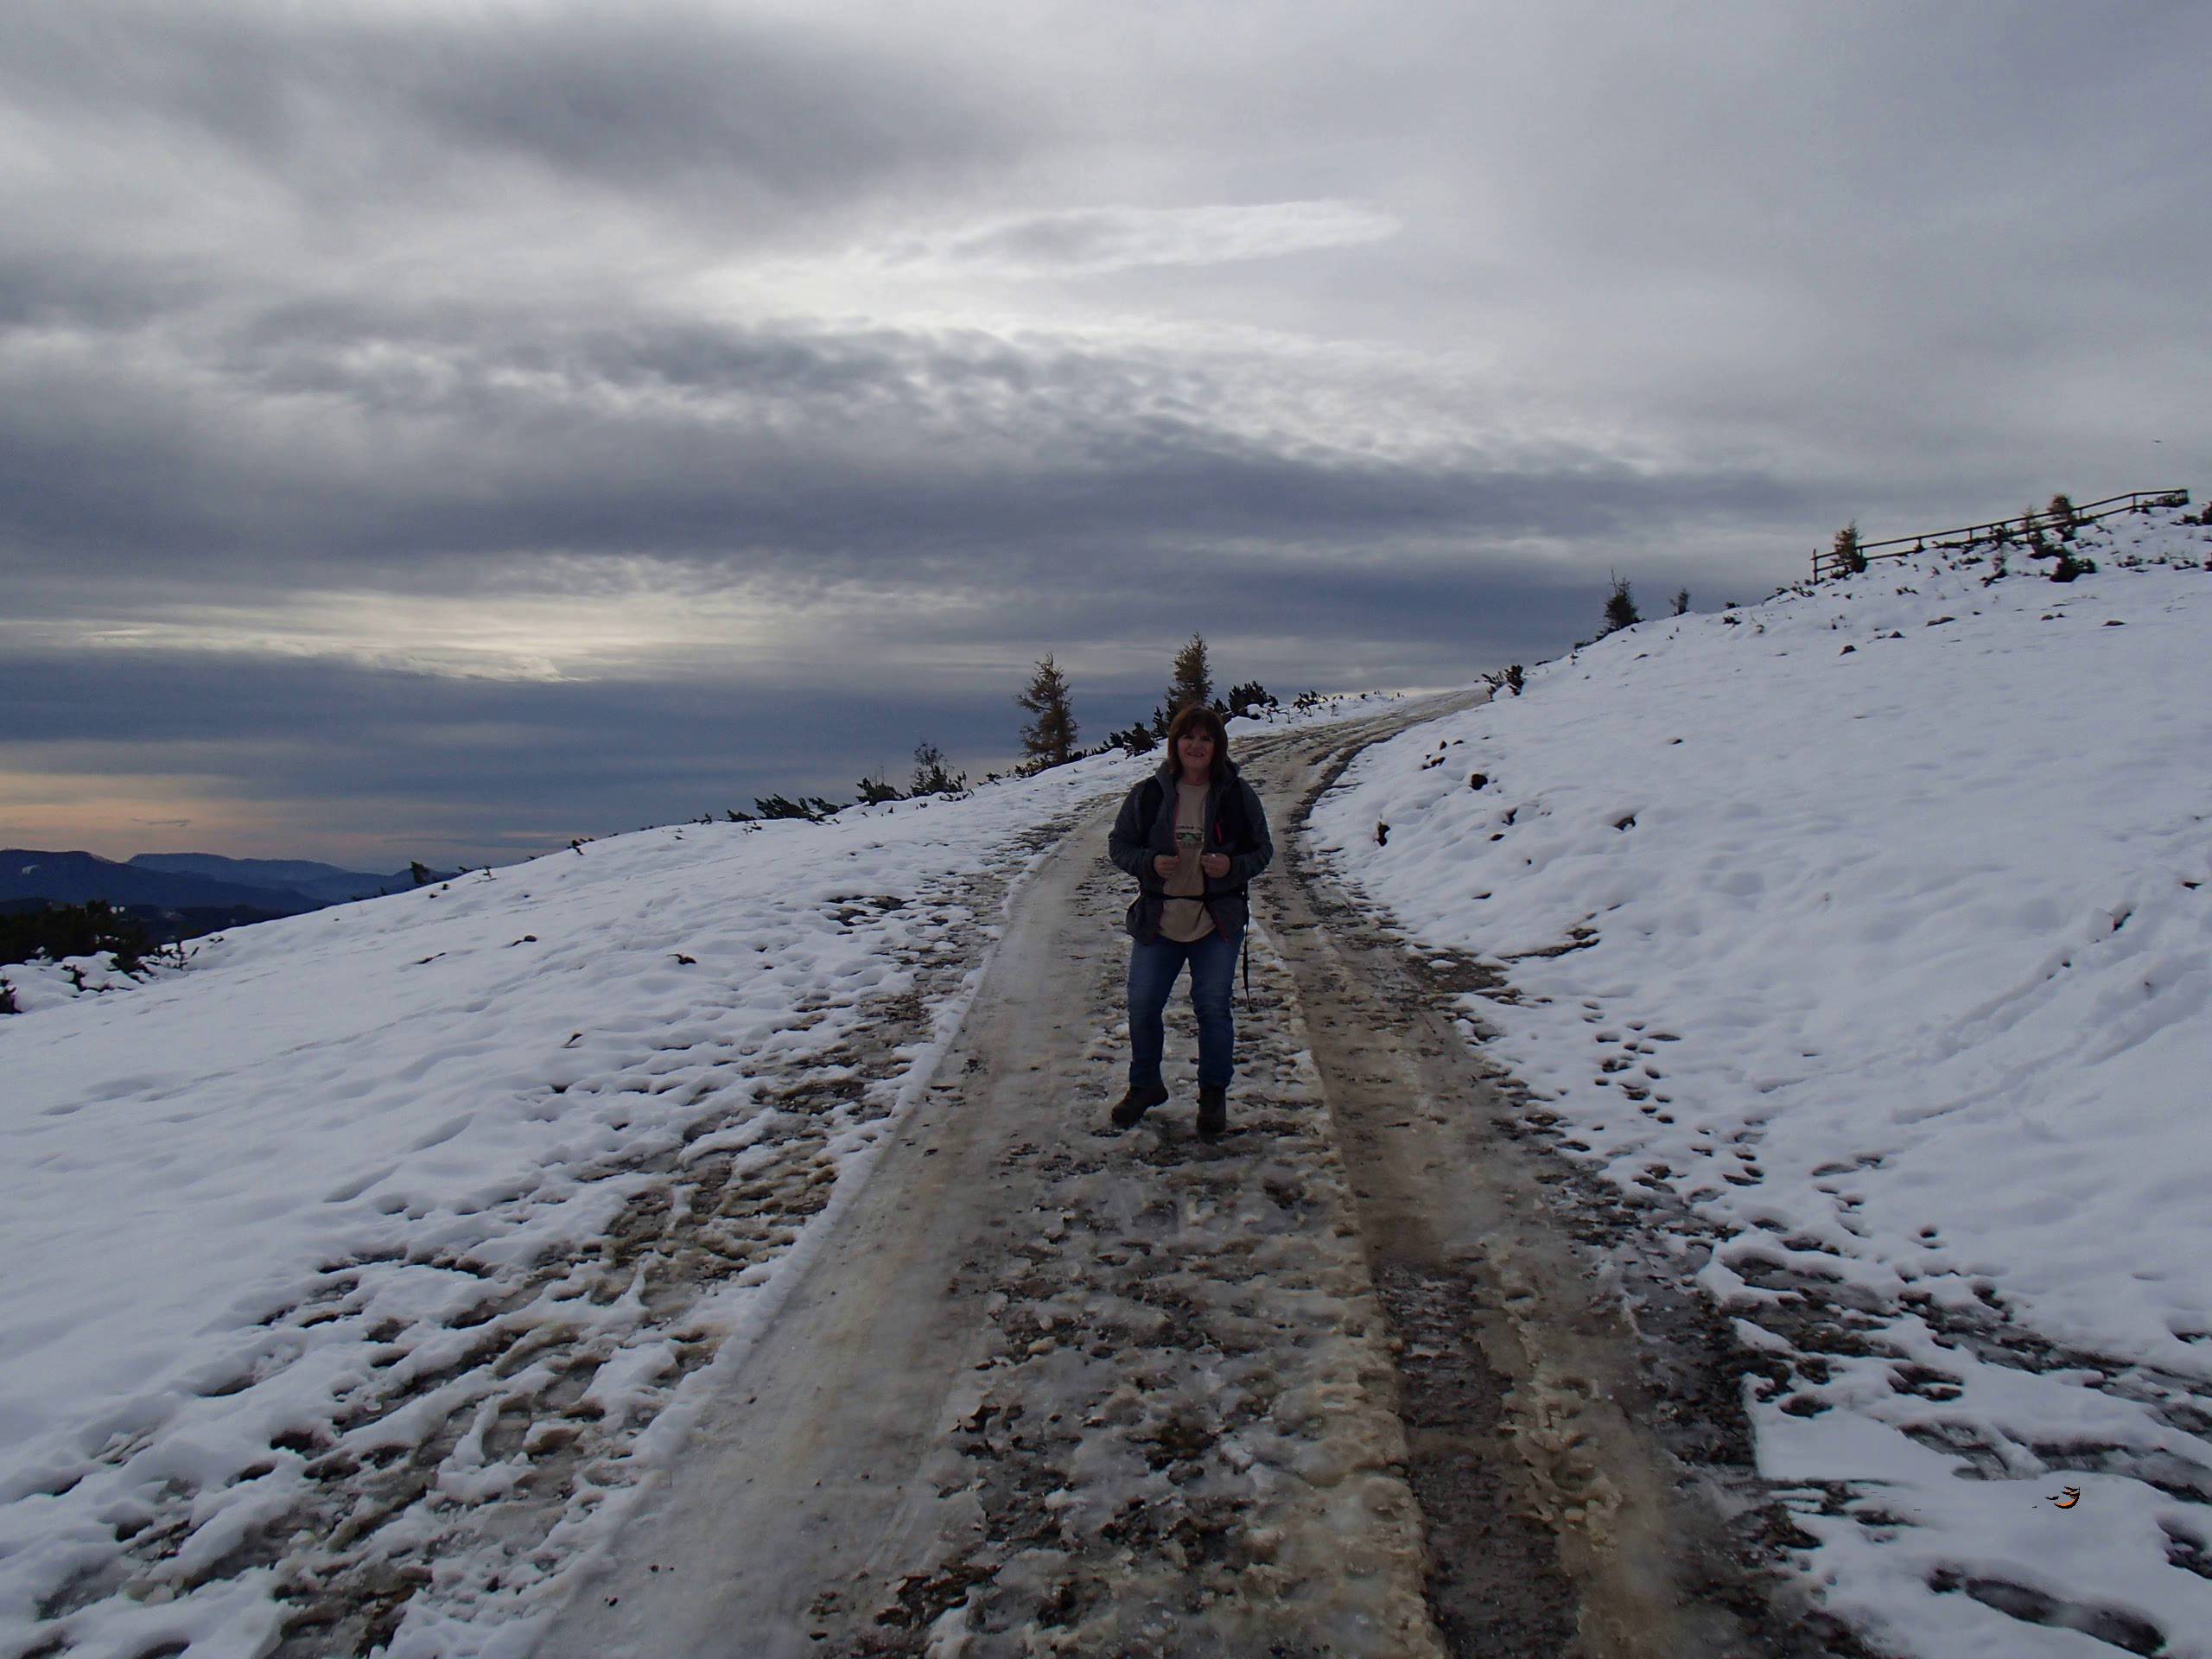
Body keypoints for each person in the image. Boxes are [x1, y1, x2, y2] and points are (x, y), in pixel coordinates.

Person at [1105, 703, 1274, 1140]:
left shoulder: (1238, 794)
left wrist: (1232, 867)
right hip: (1158, 918)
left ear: (1217, 746)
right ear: (1175, 744)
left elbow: (1262, 851)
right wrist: (1150, 862)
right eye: (1188, 737)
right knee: (1142, 1005)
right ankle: (1145, 1085)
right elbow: (1119, 845)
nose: (1196, 746)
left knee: (1212, 1008)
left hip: (1215, 921)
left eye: (1206, 738)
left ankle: (1213, 1094)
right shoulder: (1149, 794)